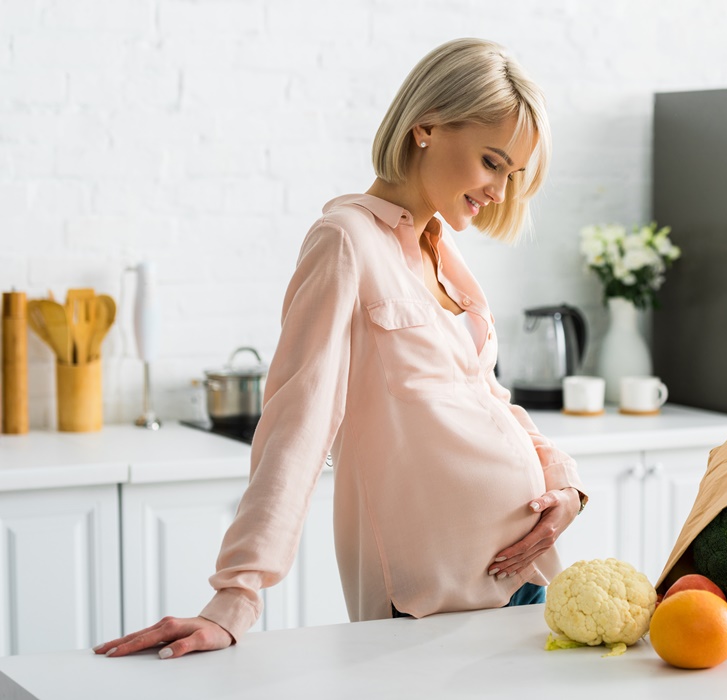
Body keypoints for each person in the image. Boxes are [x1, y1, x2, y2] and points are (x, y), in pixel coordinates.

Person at [94, 37, 586, 660]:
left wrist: (562, 483)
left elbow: (488, 400)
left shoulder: (445, 252)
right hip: (428, 597)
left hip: (528, 578)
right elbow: (297, 421)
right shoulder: (344, 241)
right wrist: (237, 597)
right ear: (426, 126)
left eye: (511, 175)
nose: (498, 190)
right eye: (493, 162)